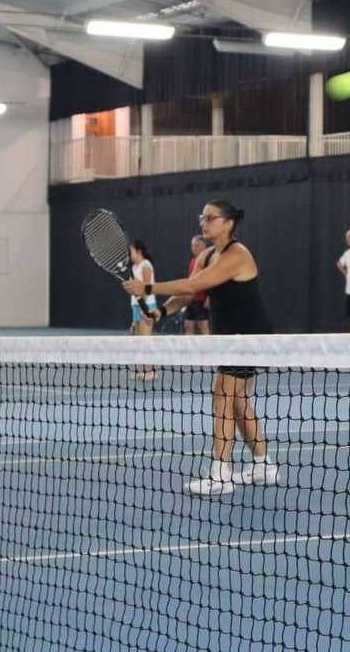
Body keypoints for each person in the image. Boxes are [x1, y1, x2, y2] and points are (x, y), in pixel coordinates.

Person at [124, 200, 278, 496]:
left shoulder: (238, 255)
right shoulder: (207, 255)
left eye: (210, 218)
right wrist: (160, 312)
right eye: (201, 217)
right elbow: (190, 292)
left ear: (228, 223)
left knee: (222, 391)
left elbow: (192, 285)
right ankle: (263, 465)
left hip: (247, 336)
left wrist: (147, 289)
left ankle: (221, 474)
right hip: (229, 337)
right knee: (238, 401)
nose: (202, 222)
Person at [129, 240, 158, 380]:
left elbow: (147, 287)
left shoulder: (146, 265)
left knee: (146, 341)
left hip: (147, 306)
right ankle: (141, 370)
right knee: (139, 341)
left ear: (139, 251)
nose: (130, 254)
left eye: (131, 251)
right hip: (136, 306)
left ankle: (151, 371)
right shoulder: (134, 267)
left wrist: (144, 308)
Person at [184, 235, 211, 335]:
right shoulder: (192, 261)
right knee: (188, 324)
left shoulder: (208, 261)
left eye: (197, 245)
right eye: (192, 245)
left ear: (204, 247)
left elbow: (211, 281)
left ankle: (209, 349)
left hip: (202, 299)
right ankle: (188, 350)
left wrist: (209, 298)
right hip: (191, 299)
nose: (194, 248)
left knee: (202, 325)